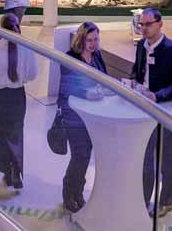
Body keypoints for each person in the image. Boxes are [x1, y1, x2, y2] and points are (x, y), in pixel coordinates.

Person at [131, 8, 172, 219]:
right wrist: (132, 82)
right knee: (145, 158)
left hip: (166, 113)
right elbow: (137, 70)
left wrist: (157, 96)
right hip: (143, 112)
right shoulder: (140, 46)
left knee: (167, 159)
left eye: (148, 24)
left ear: (160, 24)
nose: (144, 28)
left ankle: (166, 202)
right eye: (141, 24)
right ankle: (144, 200)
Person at [58, 21, 107, 213]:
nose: (94, 44)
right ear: (81, 40)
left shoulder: (97, 56)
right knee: (80, 155)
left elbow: (105, 78)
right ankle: (68, 193)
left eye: (96, 39)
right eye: (90, 40)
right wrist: (86, 94)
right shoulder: (70, 58)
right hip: (74, 117)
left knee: (85, 157)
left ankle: (77, 193)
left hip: (93, 117)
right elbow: (66, 86)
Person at [0, 13, 38, 189]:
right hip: (17, 96)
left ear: (1, 29)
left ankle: (6, 170)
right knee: (15, 134)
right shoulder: (28, 49)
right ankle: (16, 169)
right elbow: (32, 75)